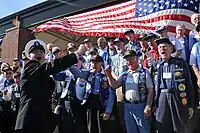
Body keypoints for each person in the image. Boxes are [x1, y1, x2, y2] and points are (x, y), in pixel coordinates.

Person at [15, 39, 86, 133]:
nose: (38, 54)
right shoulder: (30, 67)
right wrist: (77, 54)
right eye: (35, 52)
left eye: (41, 52)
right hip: (30, 121)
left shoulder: (44, 74)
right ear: (29, 56)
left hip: (42, 124)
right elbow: (53, 66)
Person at [105, 50, 154, 133]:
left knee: (144, 130)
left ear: (137, 59)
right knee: (131, 130)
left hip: (140, 106)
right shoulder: (125, 74)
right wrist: (109, 74)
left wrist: (148, 105)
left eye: (131, 58)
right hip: (127, 106)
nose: (129, 61)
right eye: (127, 60)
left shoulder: (144, 73)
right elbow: (114, 85)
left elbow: (151, 89)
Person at [155, 38, 194, 133]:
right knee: (162, 126)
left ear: (171, 48)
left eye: (165, 47)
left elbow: (189, 84)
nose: (162, 49)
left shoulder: (180, 63)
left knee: (181, 126)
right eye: (160, 47)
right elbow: (154, 87)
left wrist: (191, 105)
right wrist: (154, 104)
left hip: (178, 97)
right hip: (162, 98)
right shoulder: (156, 65)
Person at [69, 55, 117, 133]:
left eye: (96, 62)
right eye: (92, 62)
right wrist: (68, 64)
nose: (94, 64)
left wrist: (108, 110)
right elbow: (78, 73)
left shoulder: (106, 74)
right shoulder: (89, 73)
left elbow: (111, 94)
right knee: (91, 126)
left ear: (101, 63)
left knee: (102, 127)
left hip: (102, 102)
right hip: (90, 100)